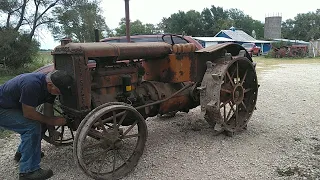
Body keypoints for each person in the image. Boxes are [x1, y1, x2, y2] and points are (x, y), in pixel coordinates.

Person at [0, 70, 73, 180]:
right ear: (50, 84)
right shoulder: (31, 85)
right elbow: (29, 113)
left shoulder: (51, 88)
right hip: (3, 108)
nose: (60, 94)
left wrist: (52, 130)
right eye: (59, 91)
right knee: (31, 127)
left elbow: (48, 109)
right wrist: (53, 121)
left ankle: (22, 153)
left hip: (11, 105)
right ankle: (28, 171)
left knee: (40, 121)